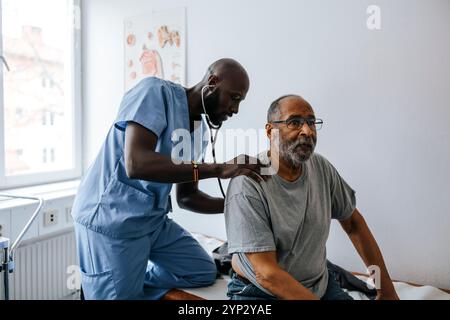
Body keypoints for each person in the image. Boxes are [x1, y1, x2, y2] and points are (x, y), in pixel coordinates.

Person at [72, 58, 263, 300]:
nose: (235, 110)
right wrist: (218, 168)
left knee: (203, 272)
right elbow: (136, 163)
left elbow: (187, 198)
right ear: (212, 82)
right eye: (234, 97)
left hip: (152, 222)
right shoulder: (154, 92)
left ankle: (129, 279)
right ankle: (119, 284)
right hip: (111, 220)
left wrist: (238, 205)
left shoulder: (199, 132)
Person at [225, 95, 400, 300]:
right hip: (261, 291)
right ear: (270, 132)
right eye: (295, 122)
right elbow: (267, 275)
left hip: (318, 285)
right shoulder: (248, 183)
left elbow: (354, 224)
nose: (307, 131)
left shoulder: (321, 168)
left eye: (311, 122)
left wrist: (385, 290)